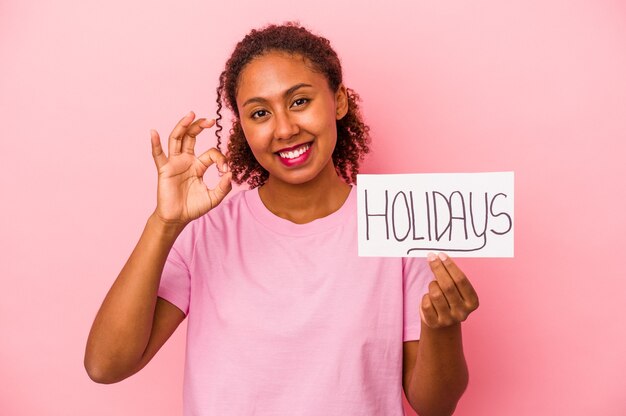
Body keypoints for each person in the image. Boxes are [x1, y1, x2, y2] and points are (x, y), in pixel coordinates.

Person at [84, 23, 479, 416]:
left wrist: (443, 327)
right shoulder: (207, 231)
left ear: (338, 101)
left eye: (299, 102)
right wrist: (164, 223)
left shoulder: (399, 226)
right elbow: (106, 366)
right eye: (260, 113)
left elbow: (435, 406)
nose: (285, 129)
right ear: (243, 127)